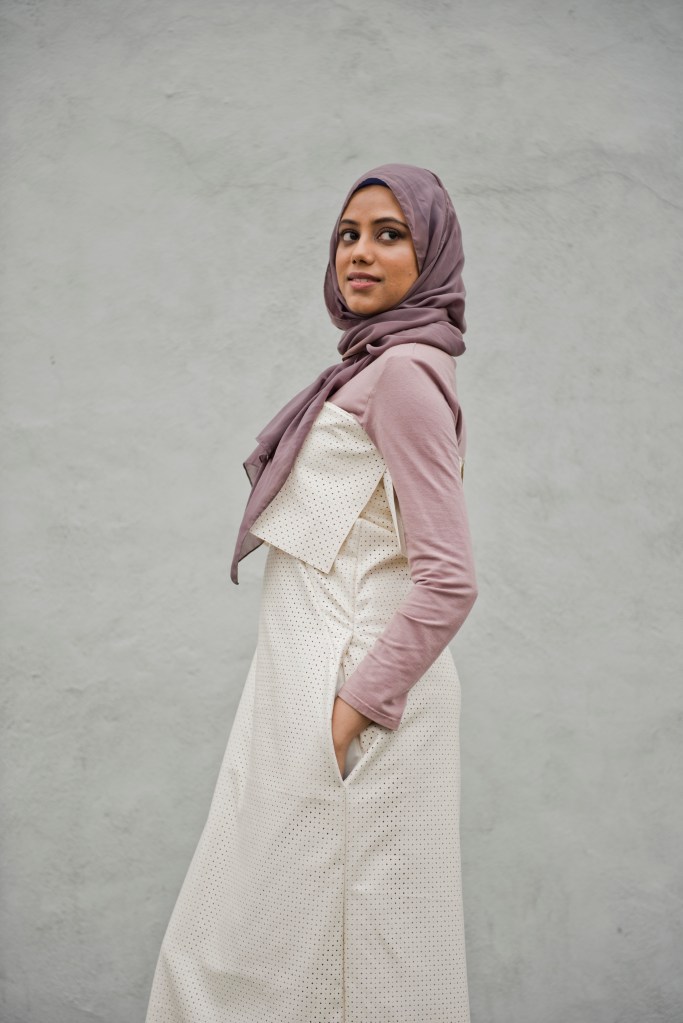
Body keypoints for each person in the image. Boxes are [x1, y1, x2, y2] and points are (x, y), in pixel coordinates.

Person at [144, 162, 479, 1023]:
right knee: (278, 952)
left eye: (389, 234)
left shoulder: (403, 374)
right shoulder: (369, 368)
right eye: (347, 234)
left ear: (432, 254)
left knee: (346, 961)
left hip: (353, 700)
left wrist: (344, 718)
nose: (358, 252)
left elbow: (448, 577)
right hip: (307, 691)